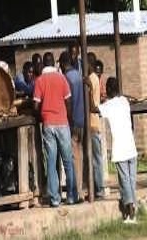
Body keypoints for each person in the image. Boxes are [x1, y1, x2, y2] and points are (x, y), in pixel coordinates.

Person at [87, 77, 137, 224]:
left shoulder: (109, 105)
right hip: (131, 147)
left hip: (120, 149)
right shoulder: (124, 102)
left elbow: (93, 108)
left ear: (108, 90)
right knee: (131, 179)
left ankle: (130, 208)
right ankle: (132, 206)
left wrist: (90, 90)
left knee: (124, 181)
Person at [34, 52, 77, 207]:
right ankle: (71, 196)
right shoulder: (62, 78)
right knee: (67, 160)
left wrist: (42, 115)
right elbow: (69, 101)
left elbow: (35, 105)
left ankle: (55, 199)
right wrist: (69, 119)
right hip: (62, 122)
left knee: (51, 162)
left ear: (43, 64)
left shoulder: (39, 80)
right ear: (54, 63)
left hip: (48, 124)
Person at [59, 51, 85, 200]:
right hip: (82, 120)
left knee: (72, 159)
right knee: (79, 157)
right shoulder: (79, 76)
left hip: (72, 121)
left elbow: (67, 103)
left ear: (62, 64)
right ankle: (80, 189)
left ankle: (77, 192)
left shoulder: (66, 79)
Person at [87, 52, 105, 199]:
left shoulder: (91, 79)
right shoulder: (95, 79)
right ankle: (97, 188)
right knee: (95, 158)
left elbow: (92, 105)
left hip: (92, 123)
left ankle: (99, 189)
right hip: (94, 123)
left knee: (96, 159)